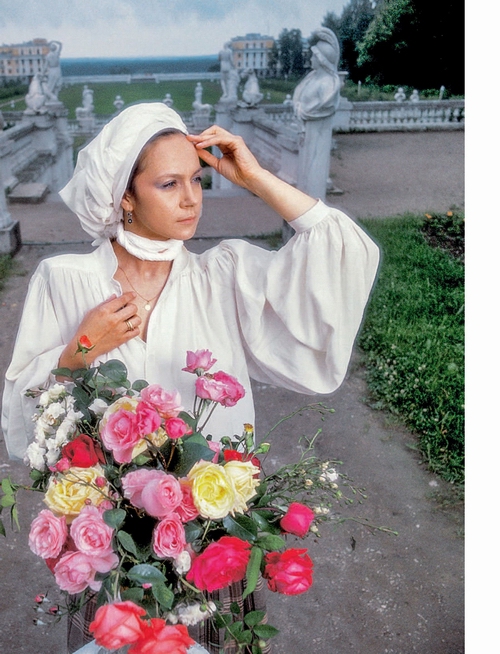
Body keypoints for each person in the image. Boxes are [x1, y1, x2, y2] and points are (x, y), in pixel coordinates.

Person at [1, 103, 380, 653]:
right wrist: (81, 349)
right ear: (124, 196)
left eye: (197, 180)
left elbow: (343, 253)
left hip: (211, 547)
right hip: (113, 552)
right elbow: (23, 418)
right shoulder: (65, 280)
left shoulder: (224, 277)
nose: (190, 198)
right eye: (168, 183)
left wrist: (254, 178)